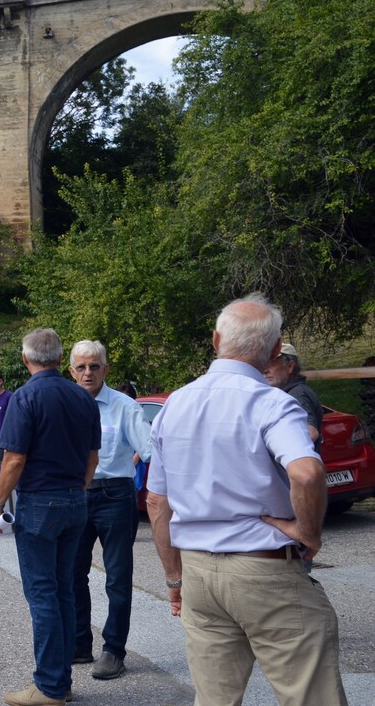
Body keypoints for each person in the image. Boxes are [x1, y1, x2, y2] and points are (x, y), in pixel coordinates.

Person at [146, 295, 347, 706]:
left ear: (216, 339)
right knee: (310, 695)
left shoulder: (175, 404)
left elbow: (156, 501)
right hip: (264, 568)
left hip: (199, 569)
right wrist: (306, 533)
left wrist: (174, 580)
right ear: (275, 350)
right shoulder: (271, 403)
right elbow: (307, 471)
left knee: (215, 699)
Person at [0, 328, 101, 706]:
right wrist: (78, 491)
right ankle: (60, 679)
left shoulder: (26, 396)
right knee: (64, 589)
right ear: (60, 357)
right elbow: (92, 457)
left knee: (43, 593)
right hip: (75, 500)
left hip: (40, 502)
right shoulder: (82, 397)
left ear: (25, 358)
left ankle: (49, 685)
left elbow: (14, 459)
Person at [67, 340, 152, 681]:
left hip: (115, 497)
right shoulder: (65, 405)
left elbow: (150, 451)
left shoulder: (124, 407)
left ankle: (114, 650)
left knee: (117, 578)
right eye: (81, 367)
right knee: (72, 573)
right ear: (71, 371)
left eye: (94, 366)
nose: (88, 372)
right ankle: (78, 644)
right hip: (76, 496)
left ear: (106, 369)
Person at [264, 342, 324, 451]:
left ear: (290, 366)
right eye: (264, 363)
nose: (265, 370)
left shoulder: (296, 394)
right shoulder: (291, 392)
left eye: (271, 363)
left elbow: (311, 433)